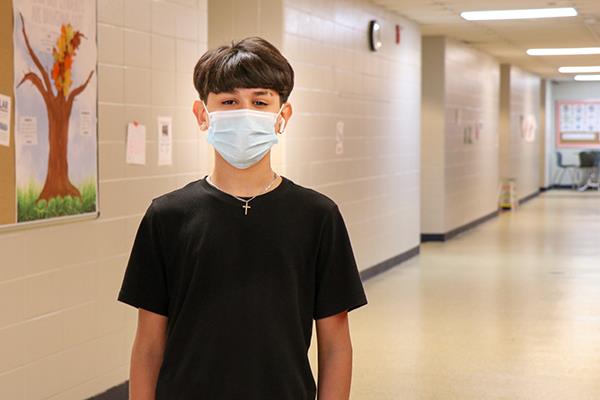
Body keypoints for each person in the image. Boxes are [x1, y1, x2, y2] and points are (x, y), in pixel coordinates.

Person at [117, 36, 368, 400]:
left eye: (260, 101)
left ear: (283, 116)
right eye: (229, 101)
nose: (245, 112)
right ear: (203, 115)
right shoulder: (167, 216)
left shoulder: (317, 216)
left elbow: (336, 345)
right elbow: (148, 346)